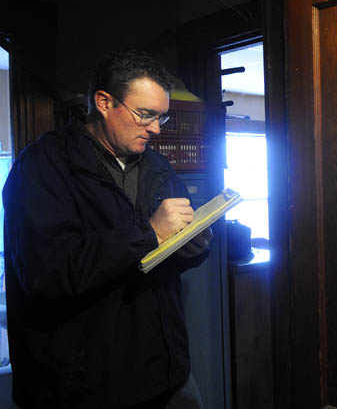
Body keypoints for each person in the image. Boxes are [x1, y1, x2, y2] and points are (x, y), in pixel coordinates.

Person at [2, 50, 210, 408]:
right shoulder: (42, 167)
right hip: (84, 387)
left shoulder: (156, 164)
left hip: (168, 373)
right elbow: (46, 274)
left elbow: (166, 253)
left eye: (162, 117)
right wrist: (148, 235)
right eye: (146, 115)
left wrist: (193, 244)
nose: (156, 129)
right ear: (103, 102)